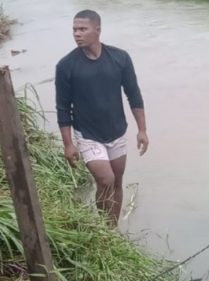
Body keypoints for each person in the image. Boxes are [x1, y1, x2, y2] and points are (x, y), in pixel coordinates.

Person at [55, 9, 148, 227]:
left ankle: (111, 231)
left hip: (116, 131)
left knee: (117, 182)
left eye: (82, 29)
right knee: (106, 180)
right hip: (88, 135)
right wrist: (68, 144)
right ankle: (103, 227)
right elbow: (62, 108)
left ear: (97, 30)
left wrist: (142, 130)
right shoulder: (66, 66)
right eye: (74, 30)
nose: (77, 34)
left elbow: (134, 95)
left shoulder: (120, 58)